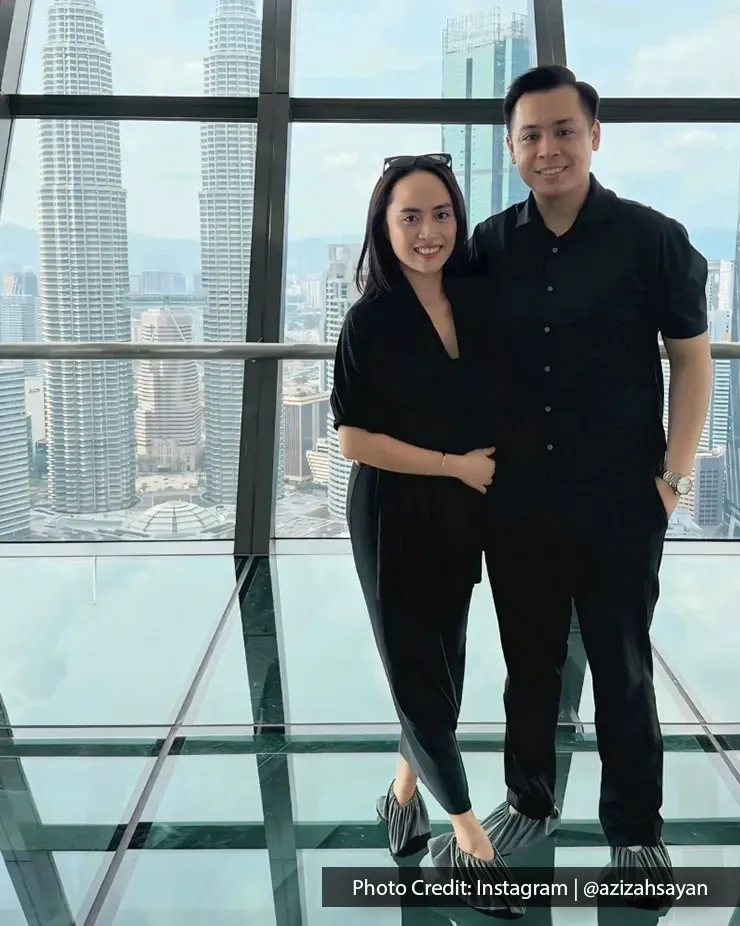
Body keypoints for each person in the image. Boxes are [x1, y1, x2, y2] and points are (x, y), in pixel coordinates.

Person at [469, 65, 712, 903]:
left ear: (595, 135)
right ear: (511, 148)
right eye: (531, 135)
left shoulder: (652, 239)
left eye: (564, 130)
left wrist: (672, 479)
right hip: (519, 499)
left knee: (623, 669)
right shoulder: (490, 245)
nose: (549, 148)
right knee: (529, 664)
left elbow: (692, 362)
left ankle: (635, 832)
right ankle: (529, 803)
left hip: (620, 499)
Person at [330, 153, 523, 917]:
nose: (428, 231)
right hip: (392, 515)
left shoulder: (477, 301)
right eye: (409, 216)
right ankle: (472, 845)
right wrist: (453, 465)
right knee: (419, 679)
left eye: (441, 214)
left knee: (442, 671)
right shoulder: (370, 319)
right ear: (383, 226)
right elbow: (353, 440)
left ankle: (401, 797)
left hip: (460, 514)